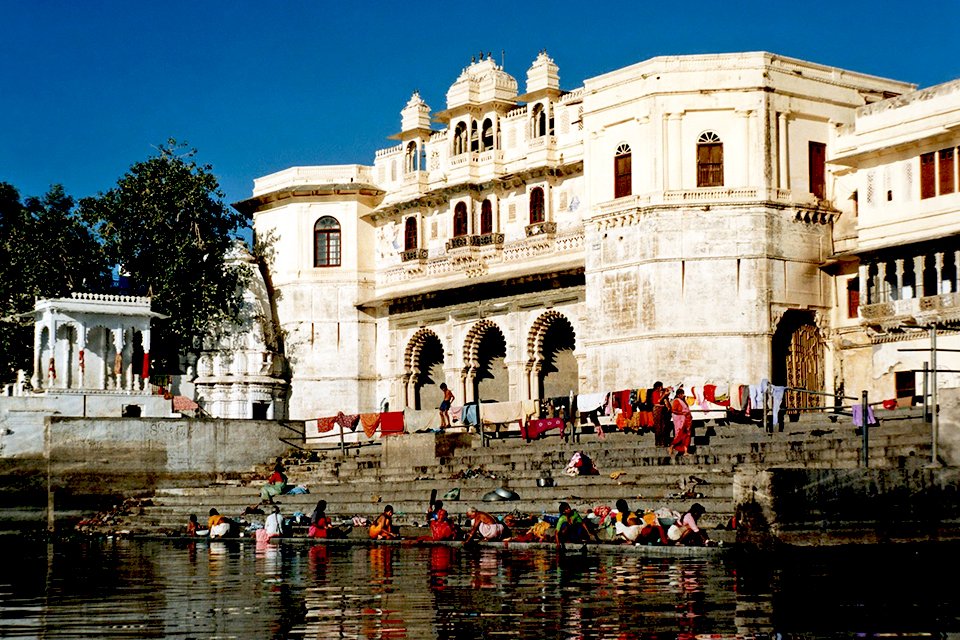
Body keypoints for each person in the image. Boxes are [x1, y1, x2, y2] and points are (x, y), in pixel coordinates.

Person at [671, 387, 693, 455]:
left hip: (687, 420)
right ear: (678, 395)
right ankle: (671, 446)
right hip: (681, 421)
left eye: (683, 394)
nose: (683, 395)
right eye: (682, 394)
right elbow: (673, 410)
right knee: (680, 435)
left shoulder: (683, 401)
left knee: (687, 435)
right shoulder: (676, 401)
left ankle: (686, 451)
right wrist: (682, 413)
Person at [651, 381, 672, 447]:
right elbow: (659, 401)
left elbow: (665, 401)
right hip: (657, 409)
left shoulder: (662, 393)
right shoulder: (655, 393)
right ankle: (658, 442)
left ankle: (663, 442)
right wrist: (664, 395)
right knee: (658, 426)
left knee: (663, 426)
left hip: (663, 409)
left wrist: (668, 407)